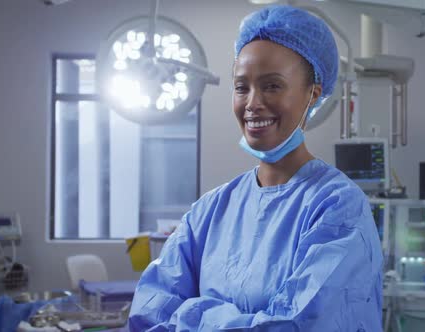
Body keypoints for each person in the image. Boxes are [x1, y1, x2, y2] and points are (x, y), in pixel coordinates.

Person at [128, 5, 383, 331]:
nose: (252, 103)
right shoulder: (211, 210)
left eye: (272, 86)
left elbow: (298, 325)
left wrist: (191, 313)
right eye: (241, 87)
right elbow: (150, 310)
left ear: (312, 95)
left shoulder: (337, 208)